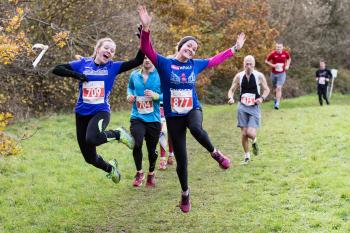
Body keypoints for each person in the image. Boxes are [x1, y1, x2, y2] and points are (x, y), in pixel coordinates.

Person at [138, 5, 245, 213]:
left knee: (196, 128)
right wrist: (146, 28)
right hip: (173, 116)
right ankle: (185, 193)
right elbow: (146, 49)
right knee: (182, 161)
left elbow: (215, 60)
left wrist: (235, 49)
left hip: (192, 109)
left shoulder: (195, 65)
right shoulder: (164, 63)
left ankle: (215, 153)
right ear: (180, 46)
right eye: (188, 46)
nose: (191, 50)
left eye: (194, 49)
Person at [52, 37, 144, 184]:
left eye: (112, 50)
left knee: (92, 138)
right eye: (106, 48)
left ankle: (118, 134)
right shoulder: (83, 64)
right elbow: (56, 69)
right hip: (81, 114)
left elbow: (138, 60)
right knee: (89, 158)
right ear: (97, 49)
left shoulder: (113, 67)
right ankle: (111, 168)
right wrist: (76, 75)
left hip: (101, 111)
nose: (109, 51)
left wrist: (144, 39)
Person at [127, 56, 162, 187]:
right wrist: (129, 95)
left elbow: (167, 94)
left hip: (154, 118)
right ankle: (139, 172)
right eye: (144, 58)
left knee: (152, 150)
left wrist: (156, 96)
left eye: (149, 58)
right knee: (137, 143)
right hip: (137, 116)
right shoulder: (134, 74)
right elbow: (130, 88)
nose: (147, 60)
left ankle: (151, 173)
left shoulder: (160, 75)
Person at [228, 55, 270, 164]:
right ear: (243, 64)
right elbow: (231, 90)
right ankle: (246, 157)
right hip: (242, 106)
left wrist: (262, 98)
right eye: (247, 63)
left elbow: (267, 89)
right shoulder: (239, 76)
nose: (249, 66)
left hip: (254, 107)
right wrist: (231, 98)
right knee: (243, 133)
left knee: (250, 133)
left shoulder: (259, 76)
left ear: (254, 64)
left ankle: (255, 141)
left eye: (251, 64)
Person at [265, 41, 291, 110]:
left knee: (279, 87)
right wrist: (273, 65)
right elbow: (266, 61)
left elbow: (289, 58)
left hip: (282, 74)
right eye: (277, 47)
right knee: (274, 89)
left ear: (282, 47)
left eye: (279, 47)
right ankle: (276, 99)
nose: (278, 48)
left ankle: (277, 104)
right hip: (273, 74)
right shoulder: (273, 54)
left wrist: (287, 65)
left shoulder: (285, 53)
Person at [158, 101, 175, 170]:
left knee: (171, 133)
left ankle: (171, 155)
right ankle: (162, 159)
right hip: (160, 107)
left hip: (172, 107)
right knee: (162, 132)